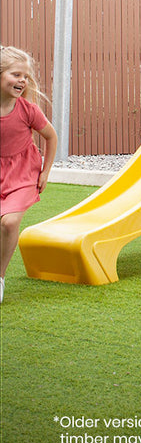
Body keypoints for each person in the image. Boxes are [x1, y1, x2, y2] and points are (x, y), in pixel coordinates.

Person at [1, 46, 58, 303]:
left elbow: (51, 136)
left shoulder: (27, 110)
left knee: (10, 222)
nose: (22, 80)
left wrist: (45, 171)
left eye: (25, 76)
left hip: (24, 173)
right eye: (16, 75)